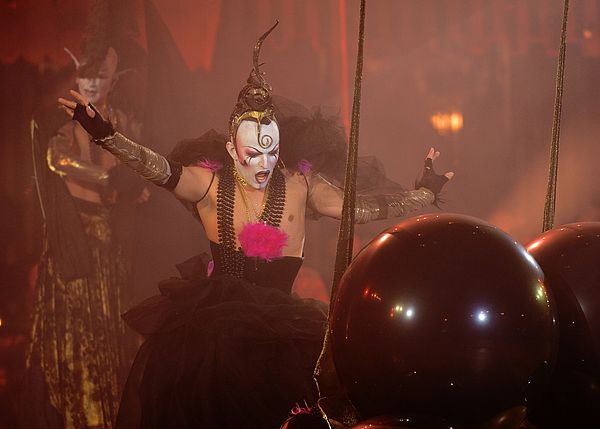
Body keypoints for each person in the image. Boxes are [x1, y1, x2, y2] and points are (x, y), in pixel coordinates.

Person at [58, 23, 452, 429]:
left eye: (271, 151)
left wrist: (421, 196)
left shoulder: (300, 187)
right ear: (231, 149)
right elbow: (158, 168)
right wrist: (107, 137)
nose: (263, 163)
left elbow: (360, 209)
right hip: (212, 338)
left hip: (286, 337)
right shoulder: (209, 184)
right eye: (252, 152)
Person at [23, 36, 146, 429]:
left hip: (114, 246)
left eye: (101, 75)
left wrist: (137, 185)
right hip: (76, 245)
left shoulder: (123, 121)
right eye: (86, 74)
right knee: (81, 344)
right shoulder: (62, 119)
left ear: (114, 76)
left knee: (114, 336)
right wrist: (108, 178)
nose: (92, 83)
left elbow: (138, 164)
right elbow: (56, 158)